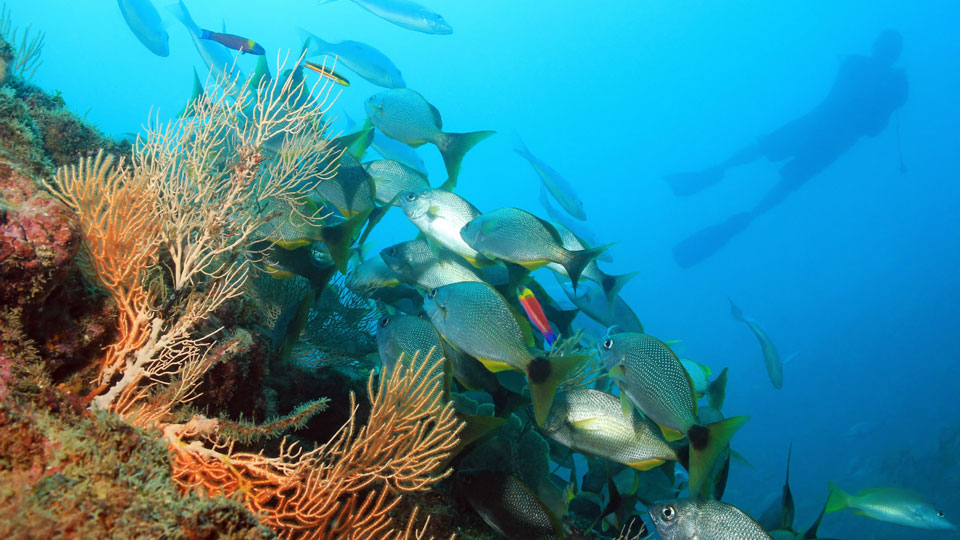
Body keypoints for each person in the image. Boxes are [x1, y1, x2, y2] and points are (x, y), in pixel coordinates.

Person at [667, 30, 909, 268]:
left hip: (818, 121)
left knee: (765, 149)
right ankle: (747, 215)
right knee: (789, 179)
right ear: (895, 54)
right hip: (836, 138)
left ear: (877, 46)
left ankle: (719, 171)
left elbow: (840, 97)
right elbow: (874, 130)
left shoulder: (857, 64)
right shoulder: (894, 83)